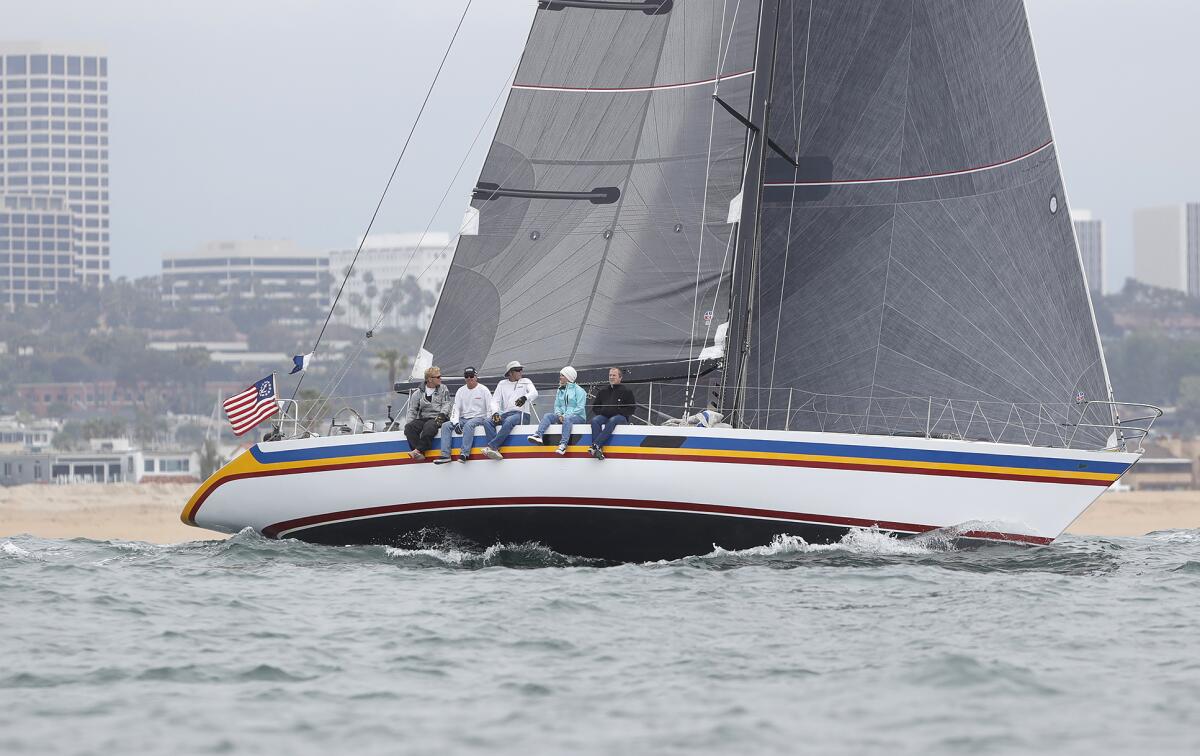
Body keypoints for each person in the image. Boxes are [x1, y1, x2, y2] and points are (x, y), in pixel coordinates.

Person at [434, 366, 495, 465]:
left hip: (479, 417)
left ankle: (464, 454)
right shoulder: (460, 391)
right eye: (467, 376)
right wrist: (455, 422)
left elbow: (490, 408)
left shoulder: (484, 390)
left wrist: (488, 421)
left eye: (471, 376)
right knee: (445, 425)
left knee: (469, 425)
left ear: (476, 377)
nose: (469, 378)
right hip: (463, 418)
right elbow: (456, 408)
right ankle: (445, 455)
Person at [483, 360, 538, 460]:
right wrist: (495, 413)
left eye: (521, 369)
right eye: (518, 370)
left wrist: (524, 397)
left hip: (523, 414)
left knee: (508, 421)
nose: (521, 372)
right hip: (507, 414)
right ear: (510, 373)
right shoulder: (502, 383)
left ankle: (492, 447)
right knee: (487, 422)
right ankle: (495, 450)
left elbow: (534, 393)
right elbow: (494, 401)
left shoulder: (526, 381)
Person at [527, 366, 586, 456]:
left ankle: (563, 445)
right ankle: (538, 435)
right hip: (563, 416)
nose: (560, 377)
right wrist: (559, 415)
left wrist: (565, 416)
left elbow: (580, 408)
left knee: (568, 419)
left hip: (578, 417)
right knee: (548, 415)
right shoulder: (560, 389)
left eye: (562, 375)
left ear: (568, 377)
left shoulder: (580, 390)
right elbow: (557, 405)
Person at [404, 366, 451, 459]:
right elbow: (412, 410)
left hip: (440, 417)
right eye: (438, 377)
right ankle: (419, 452)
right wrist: (409, 423)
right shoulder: (417, 393)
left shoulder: (443, 389)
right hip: (424, 418)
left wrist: (442, 414)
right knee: (409, 428)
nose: (440, 378)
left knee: (429, 427)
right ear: (430, 379)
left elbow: (447, 404)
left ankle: (418, 450)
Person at [588, 366, 635, 460]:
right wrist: (603, 411)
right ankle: (598, 450)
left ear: (620, 378)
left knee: (613, 420)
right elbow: (595, 407)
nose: (611, 377)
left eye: (614, 375)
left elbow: (632, 408)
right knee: (595, 420)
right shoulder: (603, 391)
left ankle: (595, 445)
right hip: (605, 416)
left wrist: (619, 412)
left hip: (620, 418)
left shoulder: (627, 391)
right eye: (610, 375)